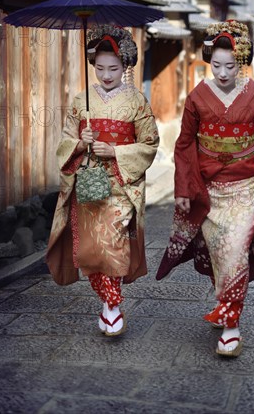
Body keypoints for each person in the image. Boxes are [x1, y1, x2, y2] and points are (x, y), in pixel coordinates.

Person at [156, 20, 254, 357]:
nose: (222, 72)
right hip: (208, 188)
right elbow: (185, 144)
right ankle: (226, 301)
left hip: (244, 187)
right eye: (216, 64)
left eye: (230, 65)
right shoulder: (197, 97)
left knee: (234, 253)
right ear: (207, 60)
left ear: (241, 62)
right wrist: (184, 188)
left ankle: (231, 326)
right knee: (220, 254)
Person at [46, 27, 159, 336]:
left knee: (114, 242)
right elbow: (65, 143)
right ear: (92, 66)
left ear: (125, 67)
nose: (106, 74)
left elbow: (150, 142)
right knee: (91, 250)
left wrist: (116, 150)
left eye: (114, 68)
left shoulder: (137, 101)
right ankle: (110, 302)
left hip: (121, 183)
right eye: (100, 68)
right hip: (90, 180)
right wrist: (81, 143)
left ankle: (112, 306)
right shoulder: (81, 100)